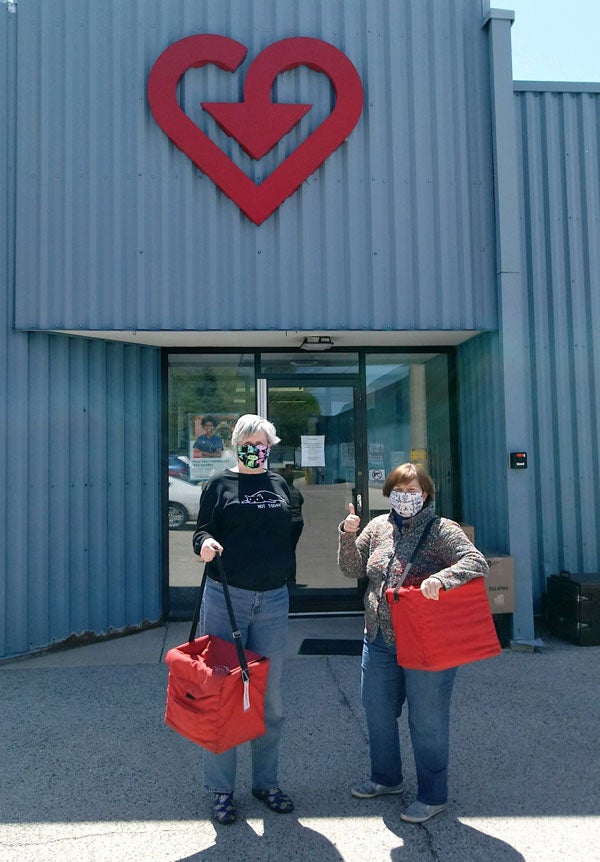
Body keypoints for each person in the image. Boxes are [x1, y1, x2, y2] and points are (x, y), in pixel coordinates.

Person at [338, 462, 488, 824]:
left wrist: (443, 578)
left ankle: (432, 794)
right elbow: (351, 569)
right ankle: (386, 778)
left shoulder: (441, 529)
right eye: (399, 491)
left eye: (413, 491)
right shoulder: (378, 527)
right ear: (389, 494)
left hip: (426, 643)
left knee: (428, 720)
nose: (405, 498)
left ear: (426, 494)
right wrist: (347, 532)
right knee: (377, 712)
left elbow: (476, 562)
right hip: (378, 638)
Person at [192, 414, 295, 825]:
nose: (256, 449)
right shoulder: (219, 485)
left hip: (272, 600)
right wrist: (207, 543)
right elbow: (200, 531)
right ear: (236, 444)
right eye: (249, 442)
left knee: (269, 700)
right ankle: (221, 789)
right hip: (226, 598)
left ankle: (265, 782)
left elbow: (292, 530)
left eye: (263, 443)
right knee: (223, 693)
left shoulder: (281, 485)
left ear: (271, 445)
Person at [279, 466, 304, 584]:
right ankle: (291, 577)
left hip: (287, 523)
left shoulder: (282, 492)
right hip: (298, 522)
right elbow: (301, 502)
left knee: (284, 550)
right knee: (291, 550)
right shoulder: (296, 491)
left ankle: (284, 575)